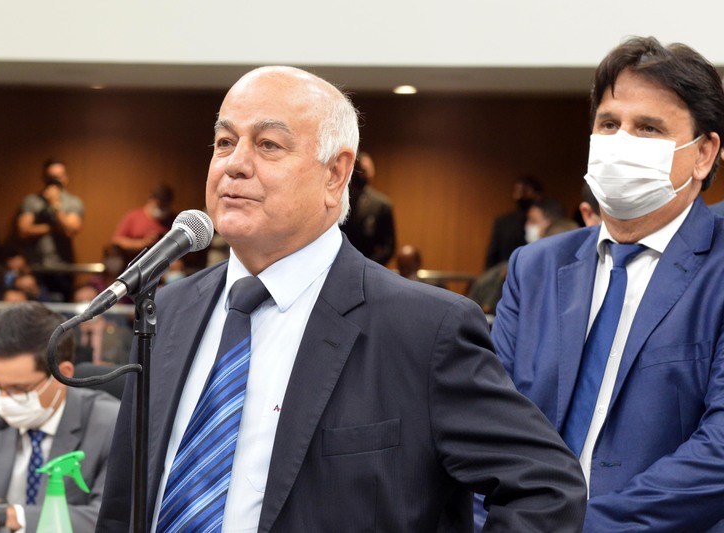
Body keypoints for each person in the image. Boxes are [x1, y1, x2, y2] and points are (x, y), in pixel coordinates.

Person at [97, 65, 586, 532]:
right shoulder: (169, 309)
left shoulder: (424, 328)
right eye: (225, 142)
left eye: (268, 145)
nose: (234, 164)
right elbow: (123, 502)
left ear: (335, 174)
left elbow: (545, 486)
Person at [491, 36, 724, 531]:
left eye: (649, 128)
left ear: (704, 153)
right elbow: (486, 427)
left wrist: (573, 527)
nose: (621, 142)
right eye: (609, 124)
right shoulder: (534, 268)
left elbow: (718, 452)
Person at [0, 302, 119, 532]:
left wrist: (11, 516)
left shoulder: (110, 424)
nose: (3, 399)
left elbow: (110, 520)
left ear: (63, 375)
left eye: (18, 389)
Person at [16, 158, 84, 301]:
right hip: (35, 268)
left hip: (62, 268)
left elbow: (70, 230)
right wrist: (53, 228)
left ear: (66, 178)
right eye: (51, 177)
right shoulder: (32, 201)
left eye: (59, 176)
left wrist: (55, 204)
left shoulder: (73, 202)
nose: (55, 181)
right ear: (44, 178)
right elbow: (24, 230)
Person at [340, 152, 397, 265]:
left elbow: (388, 247)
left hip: (368, 263)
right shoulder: (338, 201)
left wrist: (368, 265)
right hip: (340, 261)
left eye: (366, 170)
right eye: (360, 169)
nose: (362, 174)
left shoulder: (381, 205)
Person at [484, 175, 543, 269]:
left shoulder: (546, 221)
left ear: (537, 195)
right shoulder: (504, 222)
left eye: (525, 191)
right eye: (518, 191)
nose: (520, 196)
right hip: (505, 273)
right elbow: (492, 257)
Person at [112, 184, 175, 263]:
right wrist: (143, 243)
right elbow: (117, 240)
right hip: (133, 262)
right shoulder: (134, 216)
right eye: (159, 205)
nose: (161, 208)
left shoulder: (175, 220)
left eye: (164, 206)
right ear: (151, 199)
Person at [73, 284, 132, 366]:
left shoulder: (121, 333)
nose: (86, 305)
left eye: (90, 300)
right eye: (81, 301)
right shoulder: (71, 336)